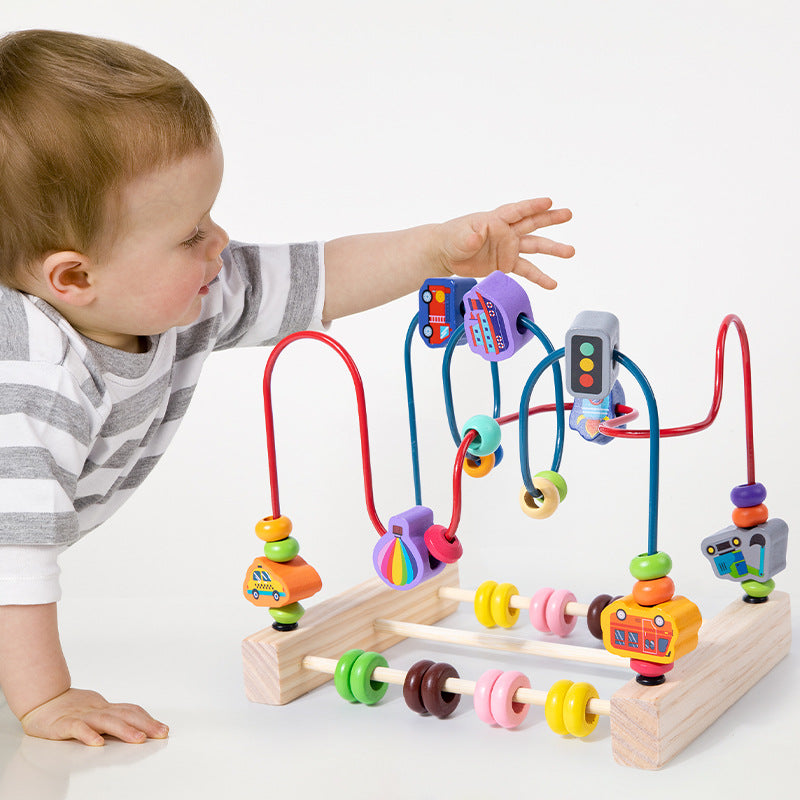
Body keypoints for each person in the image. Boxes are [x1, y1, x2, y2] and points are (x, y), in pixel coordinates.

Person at [0, 29, 574, 746]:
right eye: (190, 234)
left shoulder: (185, 294)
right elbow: (13, 554)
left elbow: (317, 279)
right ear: (74, 278)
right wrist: (46, 699)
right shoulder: (30, 379)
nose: (220, 242)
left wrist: (437, 250)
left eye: (208, 216)